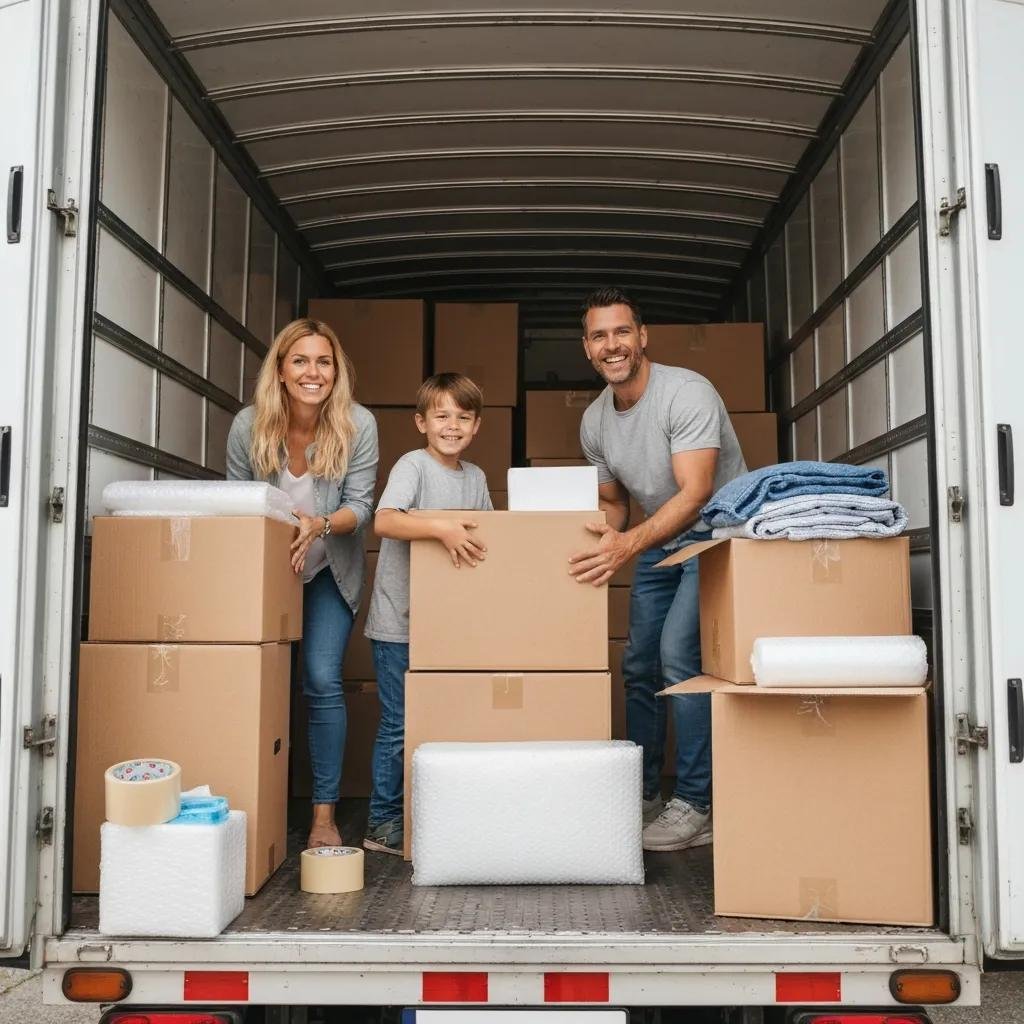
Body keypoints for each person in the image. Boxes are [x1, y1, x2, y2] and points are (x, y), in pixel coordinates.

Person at [568, 288, 747, 852]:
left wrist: (629, 545)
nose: (612, 345)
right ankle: (643, 792)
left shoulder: (686, 393)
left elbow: (695, 494)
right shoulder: (595, 421)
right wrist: (580, 531)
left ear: (642, 337)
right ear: (587, 349)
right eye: (599, 336)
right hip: (659, 539)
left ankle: (696, 803)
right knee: (637, 662)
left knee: (678, 656)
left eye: (622, 332)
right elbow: (615, 503)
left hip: (719, 535)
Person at [226, 317, 378, 850]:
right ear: (281, 370)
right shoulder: (249, 426)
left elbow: (361, 507)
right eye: (301, 361)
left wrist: (317, 524)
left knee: (319, 679)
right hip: (269, 571)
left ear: (336, 371)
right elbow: (236, 505)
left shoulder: (358, 424)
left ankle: (321, 813)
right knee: (263, 681)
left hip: (329, 570)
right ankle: (254, 800)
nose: (313, 372)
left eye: (324, 362)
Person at [362, 373, 493, 855]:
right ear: (422, 423)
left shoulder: (475, 478)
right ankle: (382, 821)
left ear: (476, 425)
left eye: (463, 417)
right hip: (401, 624)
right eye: (441, 416)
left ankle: (431, 816)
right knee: (400, 724)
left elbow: (488, 535)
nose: (452, 426)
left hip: (450, 629)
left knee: (442, 723)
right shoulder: (413, 466)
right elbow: (385, 519)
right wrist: (440, 528)